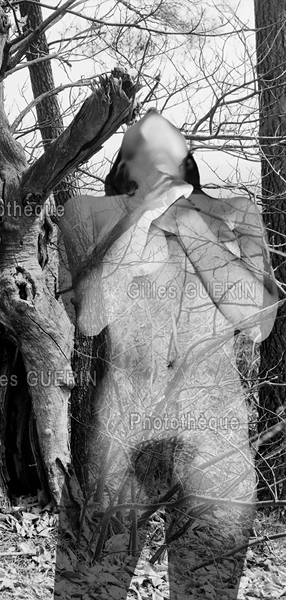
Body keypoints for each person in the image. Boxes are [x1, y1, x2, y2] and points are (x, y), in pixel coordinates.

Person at [55, 110, 278, 599]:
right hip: (121, 427)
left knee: (207, 590)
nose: (156, 137)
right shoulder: (88, 212)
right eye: (142, 144)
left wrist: (188, 224)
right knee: (89, 589)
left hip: (213, 429)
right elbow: (89, 314)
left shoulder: (233, 214)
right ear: (123, 163)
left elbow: (257, 320)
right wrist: (142, 216)